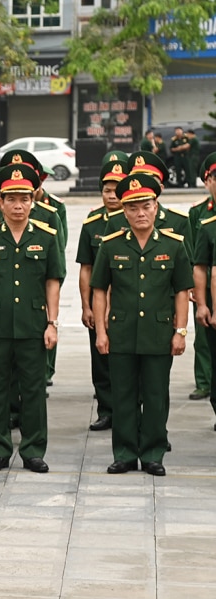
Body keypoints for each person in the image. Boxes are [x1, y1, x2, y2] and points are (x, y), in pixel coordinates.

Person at [91, 174, 191, 476]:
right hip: (121, 332)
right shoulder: (111, 245)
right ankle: (123, 453)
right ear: (124, 211)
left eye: (146, 206)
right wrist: (101, 332)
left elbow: (183, 293)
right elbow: (99, 291)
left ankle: (152, 454)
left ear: (156, 206)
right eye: (133, 208)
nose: (140, 213)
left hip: (159, 334)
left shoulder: (173, 245)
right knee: (122, 396)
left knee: (156, 396)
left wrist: (181, 332)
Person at [0, 164, 62, 474]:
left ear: (33, 199)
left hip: (33, 326)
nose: (18, 205)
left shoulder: (47, 236)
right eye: (11, 199)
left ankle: (33, 450)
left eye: (24, 198)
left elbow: (52, 281)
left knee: (33, 391)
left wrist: (52, 323)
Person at [75, 159, 128, 432]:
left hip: (127, 306)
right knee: (102, 360)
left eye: (117, 190)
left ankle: (130, 411)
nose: (111, 195)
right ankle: (106, 410)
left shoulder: (135, 221)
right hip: (99, 305)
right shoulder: (92, 224)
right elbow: (86, 269)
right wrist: (86, 306)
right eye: (107, 190)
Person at [191, 152, 216, 426]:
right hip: (206, 289)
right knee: (204, 340)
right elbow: (191, 253)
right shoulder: (199, 213)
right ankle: (204, 382)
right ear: (207, 180)